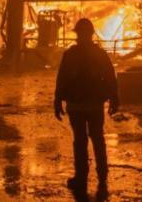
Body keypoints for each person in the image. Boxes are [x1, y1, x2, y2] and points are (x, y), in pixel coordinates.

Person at [54, 18, 119, 195]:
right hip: (91, 105)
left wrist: (58, 100)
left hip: (79, 105)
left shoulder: (71, 55)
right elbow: (110, 77)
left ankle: (82, 178)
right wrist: (114, 98)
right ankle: (101, 177)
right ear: (91, 34)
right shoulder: (98, 54)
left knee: (81, 141)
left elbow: (62, 79)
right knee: (96, 139)